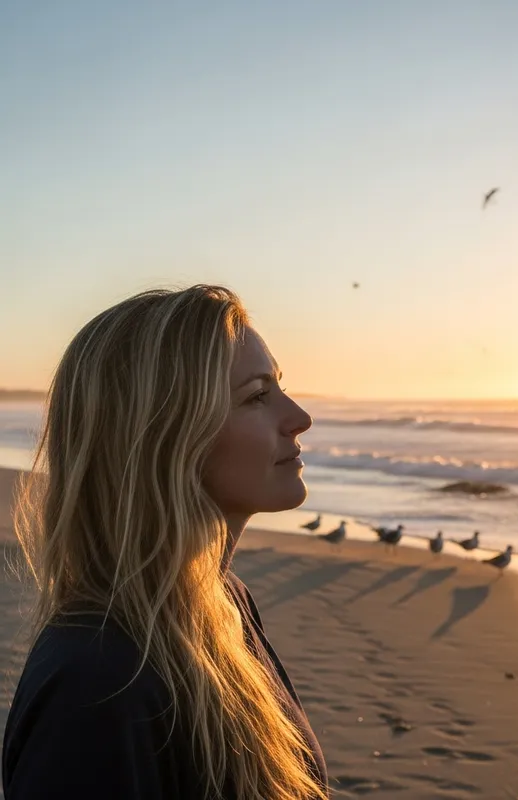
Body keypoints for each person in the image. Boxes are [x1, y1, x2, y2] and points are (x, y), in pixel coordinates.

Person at [2, 285, 328, 799]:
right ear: (165, 437)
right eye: (258, 396)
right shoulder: (99, 682)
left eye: (279, 388)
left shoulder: (223, 604)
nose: (299, 418)